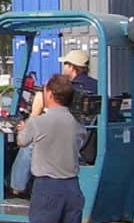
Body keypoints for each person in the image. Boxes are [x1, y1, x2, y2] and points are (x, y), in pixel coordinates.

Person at [17, 73, 86, 223]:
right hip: (72, 186)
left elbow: (21, 140)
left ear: (49, 94)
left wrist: (32, 116)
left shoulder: (39, 122)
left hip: (48, 186)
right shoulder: (78, 125)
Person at [12, 50, 97, 193]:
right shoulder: (96, 85)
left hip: (70, 136)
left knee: (29, 144)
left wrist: (31, 120)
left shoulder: (71, 89)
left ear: (72, 67)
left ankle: (16, 186)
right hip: (87, 134)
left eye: (65, 64)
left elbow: (57, 116)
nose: (63, 67)